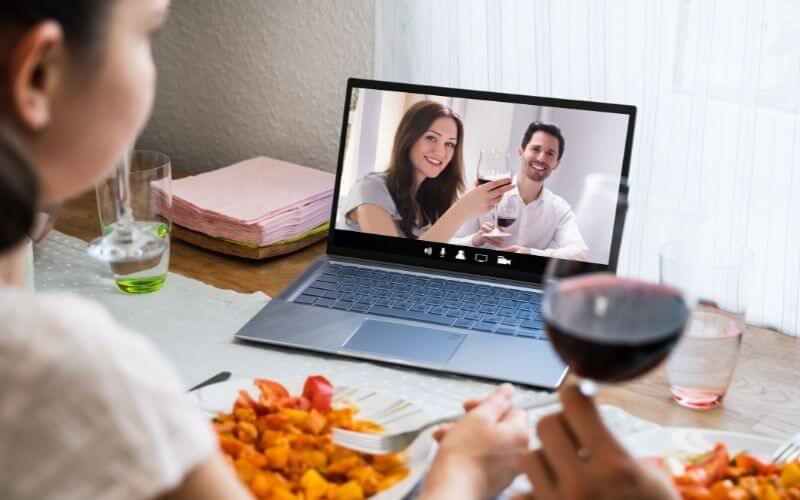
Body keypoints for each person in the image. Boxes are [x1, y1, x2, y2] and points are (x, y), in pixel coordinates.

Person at [0, 1, 530, 499]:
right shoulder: (66, 364)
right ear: (38, 75)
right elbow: (396, 251)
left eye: (451, 143)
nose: (441, 151)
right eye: (147, 35)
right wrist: (464, 472)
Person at [341, 100, 514, 241]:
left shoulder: (426, 201)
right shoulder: (370, 187)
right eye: (431, 138)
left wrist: (474, 238)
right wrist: (461, 210)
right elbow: (393, 265)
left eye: (450, 144)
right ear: (408, 137)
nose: (441, 152)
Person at [452, 122, 589, 260]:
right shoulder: (485, 193)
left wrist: (531, 254)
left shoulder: (559, 208)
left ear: (556, 164)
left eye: (550, 154)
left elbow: (580, 253)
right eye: (535, 149)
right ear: (521, 152)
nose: (541, 158)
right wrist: (476, 239)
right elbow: (448, 244)